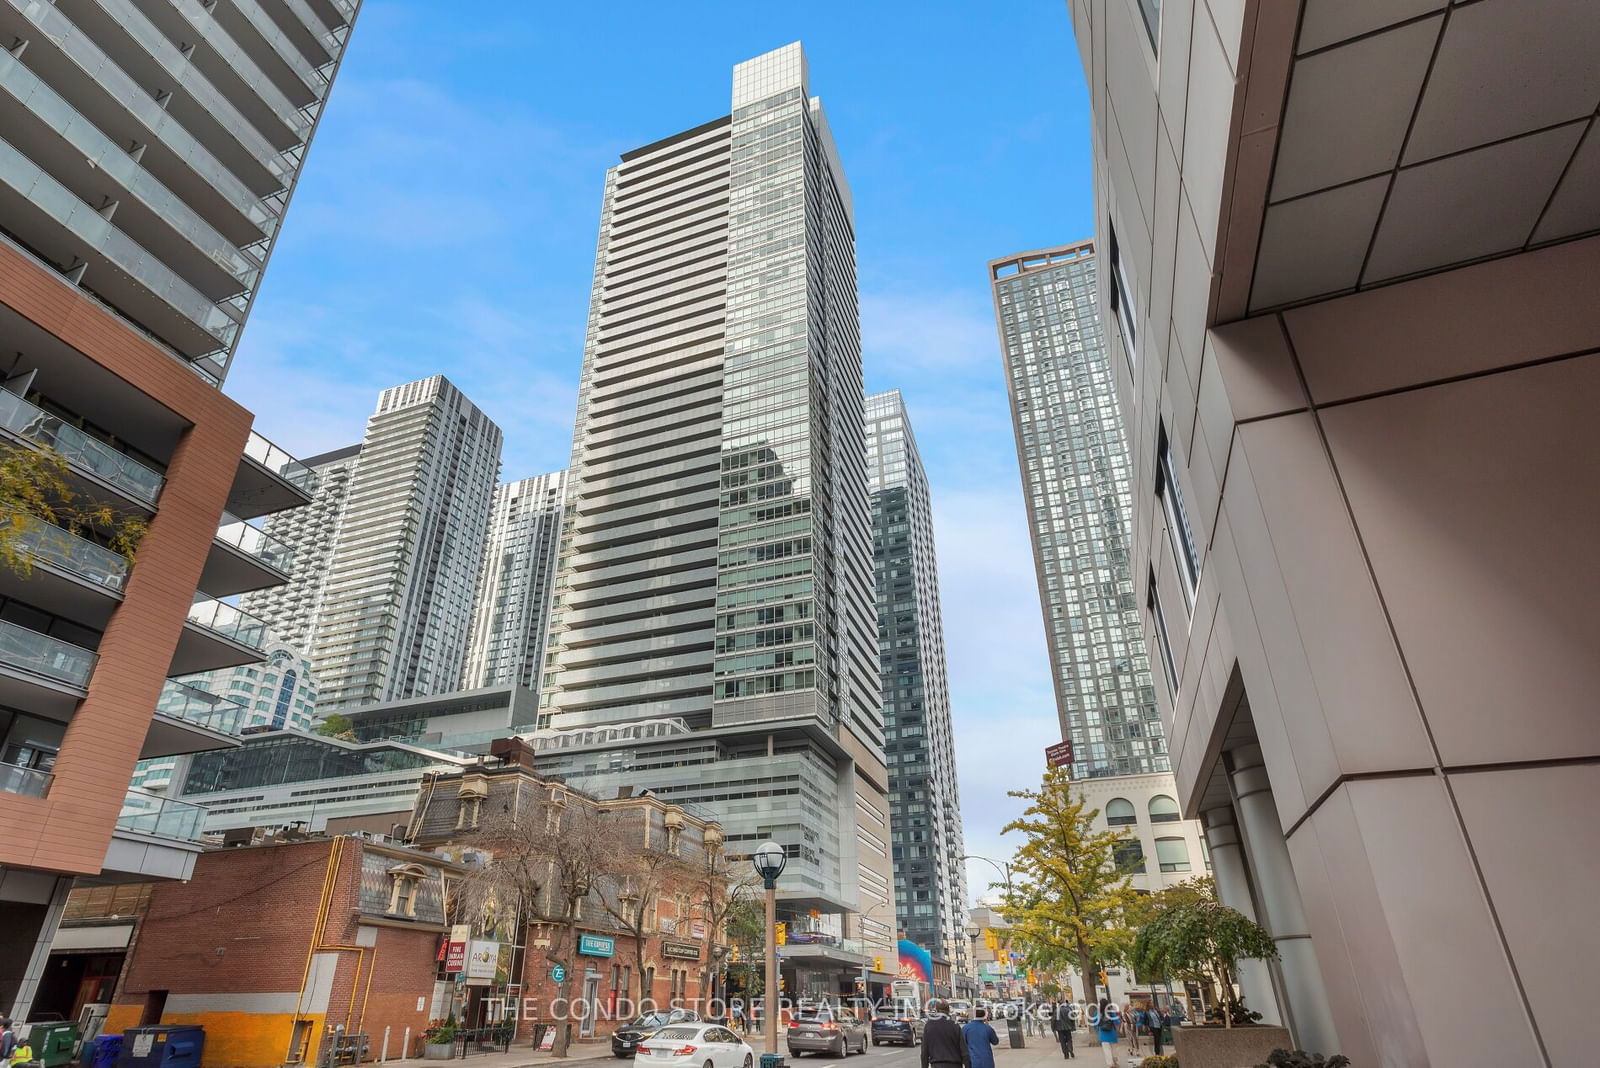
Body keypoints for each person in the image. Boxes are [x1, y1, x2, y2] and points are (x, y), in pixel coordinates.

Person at [921, 1000, 969, 1068]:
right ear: (948, 1011)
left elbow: (924, 1053)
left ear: (936, 1010)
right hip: (955, 1065)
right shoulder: (954, 1026)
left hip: (936, 1065)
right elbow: (964, 1052)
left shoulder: (929, 1026)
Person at [1094, 1001, 1120, 1068]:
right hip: (1112, 1033)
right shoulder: (1111, 1012)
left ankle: (1110, 1064)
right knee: (1114, 1049)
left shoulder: (1097, 1013)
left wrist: (1097, 1031)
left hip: (1103, 1034)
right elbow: (1117, 1022)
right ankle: (1115, 1061)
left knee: (1106, 1050)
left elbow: (1095, 1023)